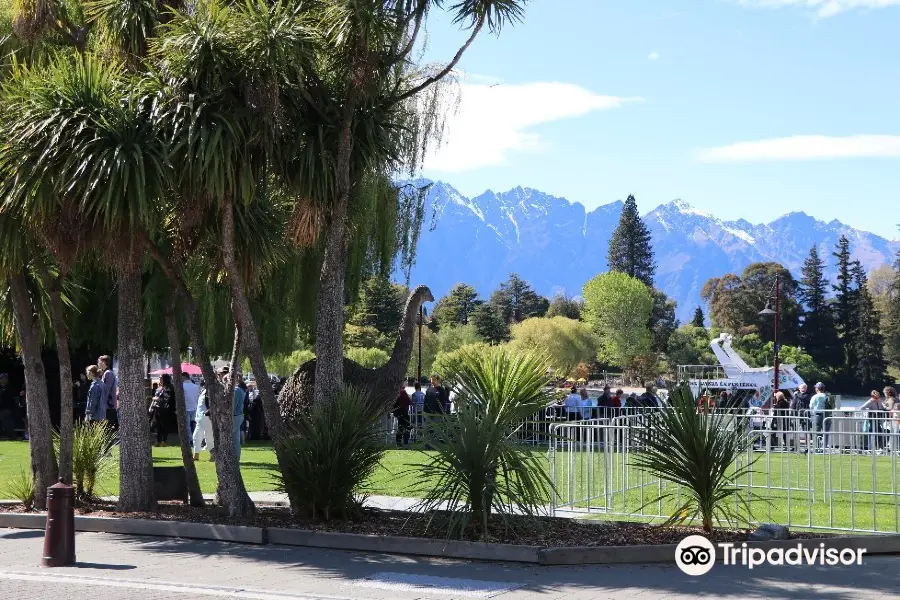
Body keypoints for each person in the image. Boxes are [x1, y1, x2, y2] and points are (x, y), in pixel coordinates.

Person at [149, 374, 176, 447]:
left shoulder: (169, 388)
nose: (159, 379)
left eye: (161, 378)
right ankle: (158, 441)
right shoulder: (159, 388)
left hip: (165, 410)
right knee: (158, 425)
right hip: (157, 409)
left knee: (164, 425)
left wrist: (156, 398)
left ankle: (164, 441)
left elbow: (166, 399)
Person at [192, 384, 215, 462]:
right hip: (200, 418)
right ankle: (196, 455)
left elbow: (212, 403)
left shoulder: (210, 390)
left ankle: (213, 455)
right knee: (196, 436)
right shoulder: (204, 391)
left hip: (207, 417)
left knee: (209, 437)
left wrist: (209, 412)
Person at [98, 355, 118, 428]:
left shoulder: (108, 373)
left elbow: (106, 390)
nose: (98, 363)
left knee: (108, 427)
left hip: (109, 405)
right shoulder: (105, 373)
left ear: (103, 362)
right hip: (107, 404)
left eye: (99, 361)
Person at [810, 382, 828, 449]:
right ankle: (824, 447)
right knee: (826, 432)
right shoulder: (827, 396)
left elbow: (811, 406)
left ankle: (817, 447)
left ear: (817, 389)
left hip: (817, 415)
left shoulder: (815, 396)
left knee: (816, 432)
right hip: (827, 416)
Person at [393, 382, 412, 447]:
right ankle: (405, 441)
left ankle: (399, 442)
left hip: (399, 412)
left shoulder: (397, 392)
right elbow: (409, 401)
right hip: (403, 412)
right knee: (407, 426)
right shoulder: (402, 392)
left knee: (400, 427)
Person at [0, 373, 16, 439]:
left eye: (6, 378)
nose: (5, 379)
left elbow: (12, 398)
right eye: (3, 378)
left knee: (7, 422)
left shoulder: (10, 388)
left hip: (7, 408)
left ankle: (11, 436)